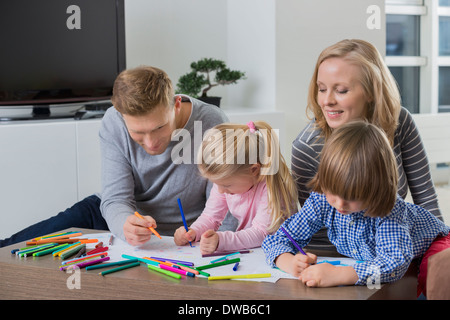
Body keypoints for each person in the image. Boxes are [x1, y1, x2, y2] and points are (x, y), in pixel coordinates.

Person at [0, 66, 231, 247]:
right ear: (121, 116)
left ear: (176, 105)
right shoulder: (113, 121)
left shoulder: (213, 123)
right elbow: (115, 198)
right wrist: (124, 225)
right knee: (14, 248)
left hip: (187, 230)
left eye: (159, 127)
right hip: (114, 215)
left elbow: (225, 202)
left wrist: (213, 240)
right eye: (138, 133)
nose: (151, 143)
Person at [263, 121, 450, 294]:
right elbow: (280, 238)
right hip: (402, 255)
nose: (340, 204)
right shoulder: (321, 200)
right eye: (332, 192)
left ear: (377, 189)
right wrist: (287, 261)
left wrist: (340, 274)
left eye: (353, 197)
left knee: (432, 277)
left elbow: (394, 263)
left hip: (437, 245)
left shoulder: (388, 211)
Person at [291, 39, 443, 250]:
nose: (327, 101)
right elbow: (313, 228)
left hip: (395, 245)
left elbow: (426, 199)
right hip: (339, 260)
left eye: (341, 90)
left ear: (371, 91)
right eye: (322, 89)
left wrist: (439, 251)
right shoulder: (307, 147)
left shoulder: (399, 122)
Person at [174, 121, 298, 254]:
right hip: (253, 254)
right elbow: (211, 217)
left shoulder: (272, 188)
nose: (220, 190)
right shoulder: (226, 182)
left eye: (226, 185)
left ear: (254, 170)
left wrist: (222, 241)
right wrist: (194, 232)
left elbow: (261, 234)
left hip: (282, 254)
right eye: (216, 184)